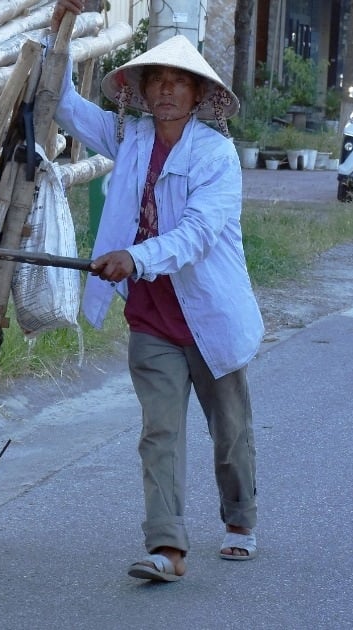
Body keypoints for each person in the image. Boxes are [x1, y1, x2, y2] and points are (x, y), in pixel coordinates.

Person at [51, 1, 264, 582]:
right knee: (160, 433)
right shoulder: (132, 139)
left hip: (210, 318)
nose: (166, 92)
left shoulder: (218, 156)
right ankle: (167, 548)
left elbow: (195, 236)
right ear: (142, 92)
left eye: (179, 83)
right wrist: (60, 34)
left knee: (230, 433)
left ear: (198, 96)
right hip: (152, 322)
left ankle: (240, 518)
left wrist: (134, 256)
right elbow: (64, 106)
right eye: (157, 82)